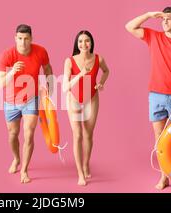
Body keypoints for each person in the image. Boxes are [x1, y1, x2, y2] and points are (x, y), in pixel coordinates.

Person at [125, 7, 171, 190]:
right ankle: (164, 176)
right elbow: (129, 26)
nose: (164, 22)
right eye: (162, 19)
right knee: (159, 139)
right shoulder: (154, 36)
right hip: (155, 95)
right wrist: (149, 15)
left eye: (168, 19)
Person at [0, 24, 54, 183]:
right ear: (15, 38)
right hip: (11, 100)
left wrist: (50, 89)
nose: (23, 42)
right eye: (20, 39)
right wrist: (13, 71)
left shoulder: (40, 51)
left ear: (31, 39)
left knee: (29, 133)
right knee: (13, 134)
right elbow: (0, 83)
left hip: (31, 98)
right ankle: (16, 159)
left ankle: (24, 170)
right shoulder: (6, 55)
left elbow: (48, 69)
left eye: (26, 39)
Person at [62, 30, 110, 186]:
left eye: (87, 41)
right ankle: (80, 173)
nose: (84, 44)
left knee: (88, 134)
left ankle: (85, 163)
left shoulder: (98, 58)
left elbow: (106, 71)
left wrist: (101, 82)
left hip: (92, 98)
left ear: (91, 43)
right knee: (77, 135)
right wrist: (80, 74)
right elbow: (65, 87)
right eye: (80, 41)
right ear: (77, 43)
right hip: (73, 99)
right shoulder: (69, 61)